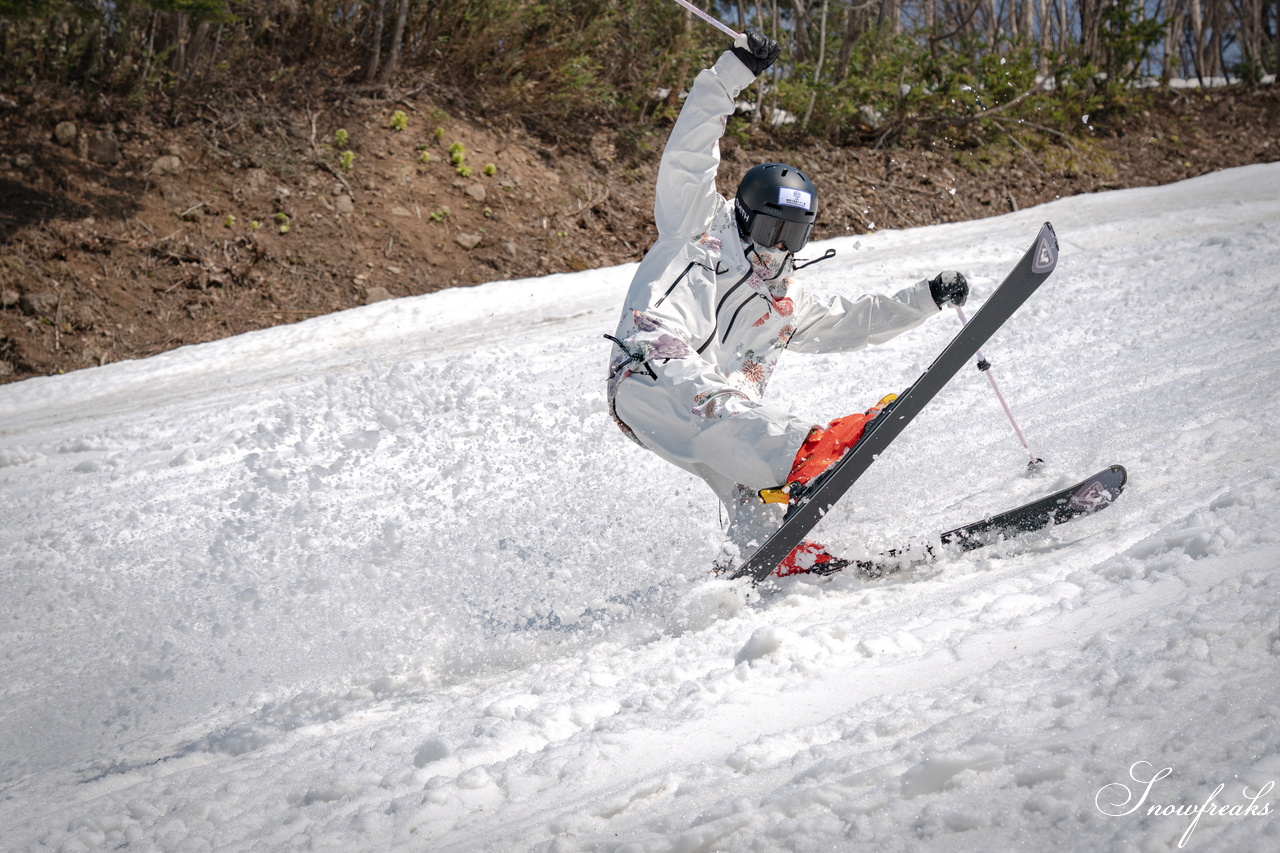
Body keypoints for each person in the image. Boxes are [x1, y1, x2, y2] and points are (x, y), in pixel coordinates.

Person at [605, 29, 969, 577]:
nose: (779, 247)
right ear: (746, 216)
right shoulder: (695, 223)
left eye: (794, 236)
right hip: (649, 367)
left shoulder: (784, 298)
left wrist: (926, 298)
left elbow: (854, 321)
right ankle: (808, 452)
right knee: (726, 413)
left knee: (749, 481)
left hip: (708, 410)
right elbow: (688, 153)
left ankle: (770, 555)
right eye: (772, 228)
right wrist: (732, 72)